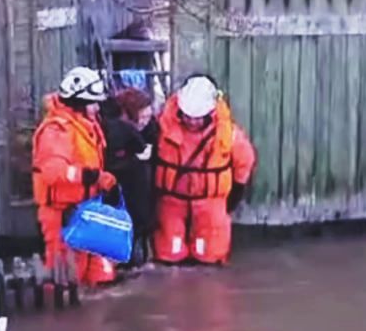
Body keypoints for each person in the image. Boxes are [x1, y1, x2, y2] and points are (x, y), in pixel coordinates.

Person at [153, 74, 256, 266]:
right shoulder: (161, 127)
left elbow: (245, 160)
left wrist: (236, 193)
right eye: (188, 116)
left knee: (209, 259)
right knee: (169, 256)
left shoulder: (228, 134)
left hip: (210, 203)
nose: (192, 122)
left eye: (197, 118)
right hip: (171, 202)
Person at [31, 66, 120, 287]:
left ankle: (93, 316)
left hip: (87, 207)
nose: (97, 107)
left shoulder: (83, 126)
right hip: (63, 212)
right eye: (93, 102)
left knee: (100, 273)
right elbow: (53, 171)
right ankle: (61, 317)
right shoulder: (56, 131)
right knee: (67, 278)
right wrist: (91, 177)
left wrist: (101, 180)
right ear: (79, 103)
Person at [102, 87, 159, 268]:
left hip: (141, 195)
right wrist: (135, 160)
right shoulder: (113, 132)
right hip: (119, 193)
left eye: (147, 117)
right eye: (141, 117)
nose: (144, 122)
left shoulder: (150, 130)